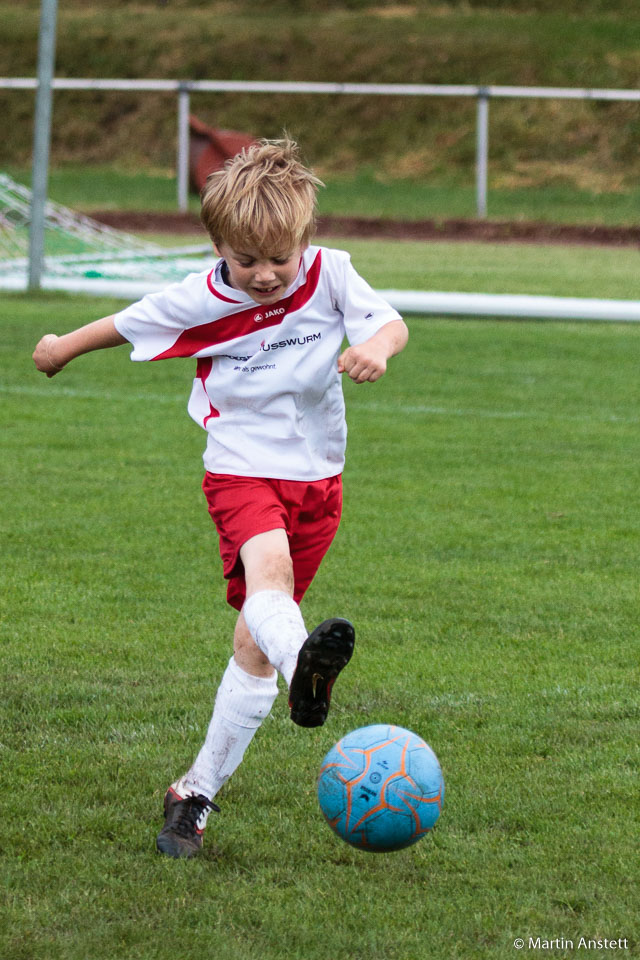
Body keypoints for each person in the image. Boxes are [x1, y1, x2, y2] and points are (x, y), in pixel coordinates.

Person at [33, 138, 409, 859]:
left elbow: (389, 323)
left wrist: (378, 351)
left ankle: (194, 792)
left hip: (318, 480)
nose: (265, 276)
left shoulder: (332, 275)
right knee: (270, 586)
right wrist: (58, 348)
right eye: (246, 262)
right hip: (239, 467)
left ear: (305, 242)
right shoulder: (198, 298)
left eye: (279, 260)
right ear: (218, 248)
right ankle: (309, 668)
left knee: (254, 645)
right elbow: (125, 322)